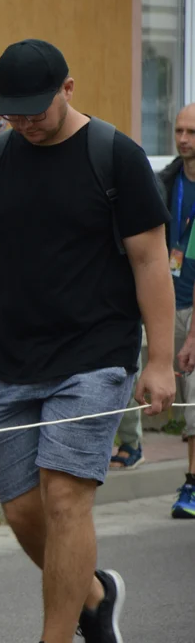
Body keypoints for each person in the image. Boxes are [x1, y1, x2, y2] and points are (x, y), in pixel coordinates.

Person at [0, 39, 175, 643]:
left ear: (68, 90)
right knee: (22, 510)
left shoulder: (116, 156)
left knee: (65, 496)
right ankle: (94, 596)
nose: (25, 125)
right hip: (9, 355)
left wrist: (161, 360)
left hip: (95, 352)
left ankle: (56, 637)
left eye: (35, 112)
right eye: (12, 115)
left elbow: (149, 261)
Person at [157, 103, 195, 517]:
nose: (184, 139)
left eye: (193, 132)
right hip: (171, 301)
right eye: (179, 131)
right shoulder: (164, 183)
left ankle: (191, 484)